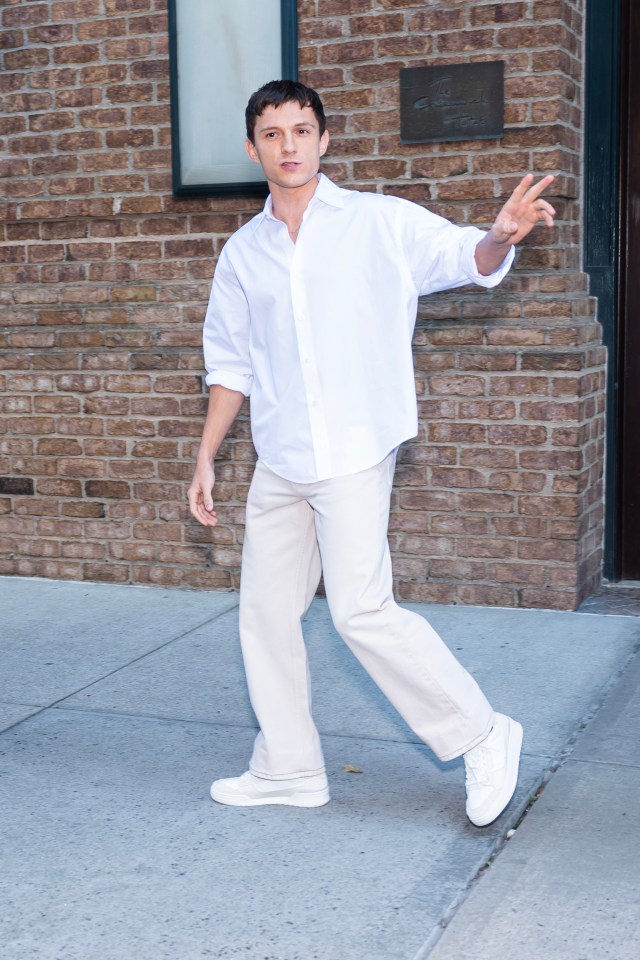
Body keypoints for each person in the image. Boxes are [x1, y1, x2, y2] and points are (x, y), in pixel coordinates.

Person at [188, 80, 556, 827]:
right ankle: (289, 766)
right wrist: (205, 458)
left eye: (301, 130)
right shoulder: (243, 253)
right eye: (272, 133)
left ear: (324, 140)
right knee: (264, 614)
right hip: (280, 456)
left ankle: (483, 735)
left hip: (355, 447)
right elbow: (231, 365)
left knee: (361, 611)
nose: (287, 145)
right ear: (255, 147)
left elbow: (464, 256)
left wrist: (498, 234)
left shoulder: (378, 222)